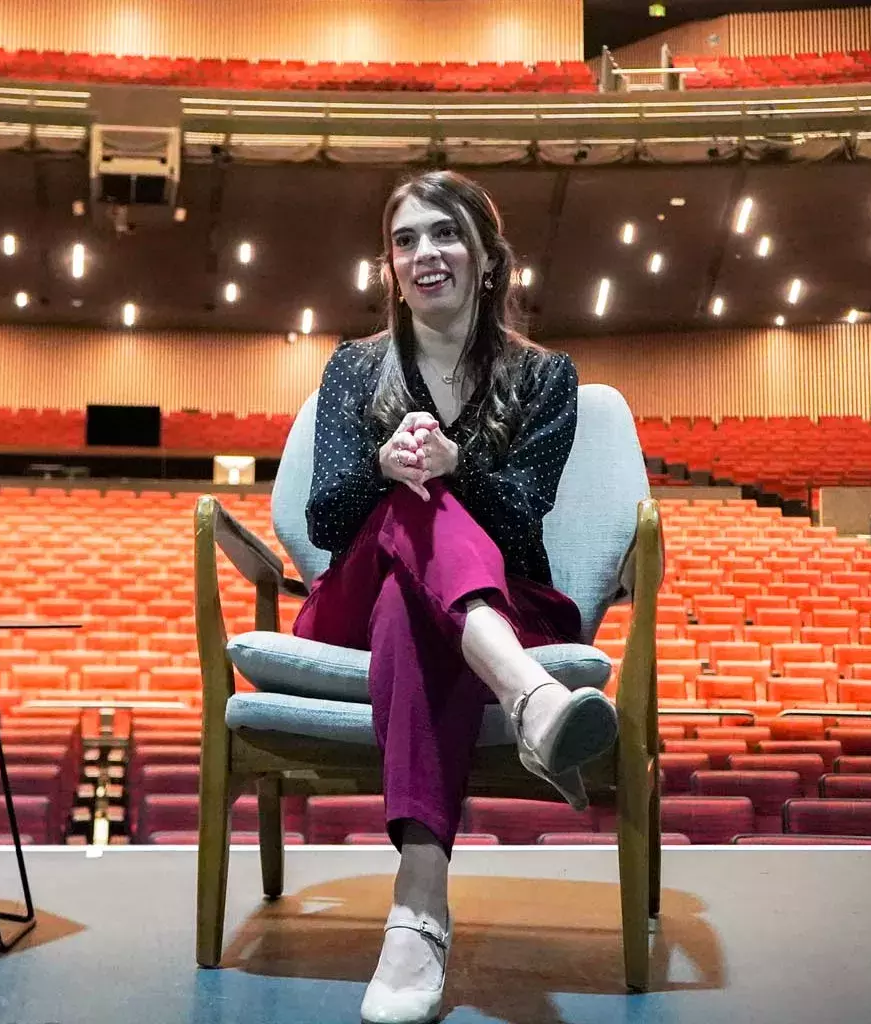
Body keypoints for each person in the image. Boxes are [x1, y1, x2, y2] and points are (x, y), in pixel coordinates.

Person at [291, 170, 620, 1024]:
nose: (424, 253)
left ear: (485, 258)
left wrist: (454, 466)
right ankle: (531, 698)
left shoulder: (545, 376)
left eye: (443, 235)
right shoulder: (353, 369)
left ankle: (419, 907)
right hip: (353, 603)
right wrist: (384, 469)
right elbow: (324, 518)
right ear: (389, 267)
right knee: (407, 511)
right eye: (405, 239)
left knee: (418, 594)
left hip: (502, 598)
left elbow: (523, 518)